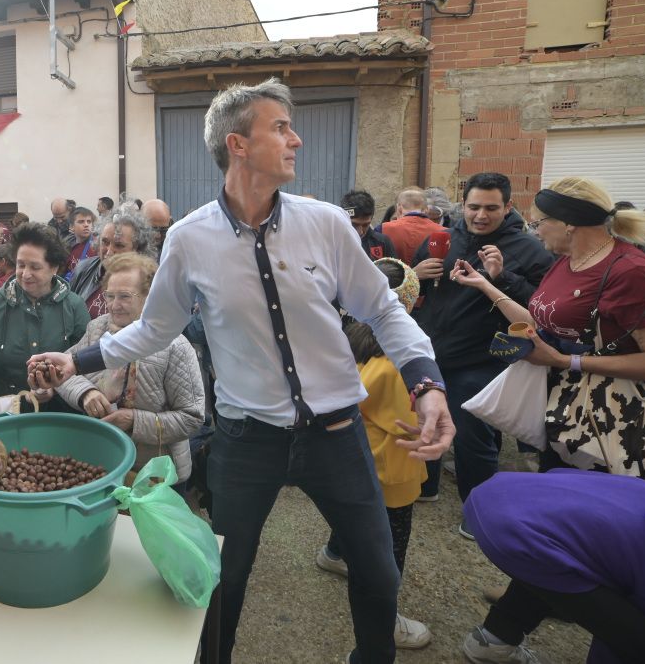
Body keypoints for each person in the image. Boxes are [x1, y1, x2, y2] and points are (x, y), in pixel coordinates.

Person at [28, 79, 454, 664]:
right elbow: (155, 329)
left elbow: (382, 307)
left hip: (336, 435)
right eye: (280, 127)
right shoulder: (189, 238)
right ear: (237, 144)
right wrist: (75, 360)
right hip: (247, 441)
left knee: (378, 573)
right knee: (224, 577)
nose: (296, 139)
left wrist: (427, 384)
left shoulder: (326, 224)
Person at [450, 176, 645, 663]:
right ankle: (512, 621)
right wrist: (487, 287)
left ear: (570, 224)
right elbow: (541, 322)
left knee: (597, 534)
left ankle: (558, 624)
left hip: (626, 426)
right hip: (572, 414)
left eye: (541, 223)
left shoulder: (631, 271)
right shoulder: (569, 259)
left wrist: (570, 364)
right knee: (561, 522)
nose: (535, 231)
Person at [412, 172, 553, 520]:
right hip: (431, 354)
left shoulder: (527, 249)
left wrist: (503, 277)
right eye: (474, 207)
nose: (481, 215)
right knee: (424, 423)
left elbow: (545, 308)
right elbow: (410, 292)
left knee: (472, 440)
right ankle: (425, 487)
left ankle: (480, 514)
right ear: (463, 206)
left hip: (482, 359)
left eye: (491, 208)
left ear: (507, 207)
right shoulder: (442, 238)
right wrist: (414, 274)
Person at [315, 258, 431, 650]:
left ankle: (334, 552)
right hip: (392, 470)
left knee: (353, 518)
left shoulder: (349, 338)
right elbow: (412, 423)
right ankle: (387, 620)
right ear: (409, 305)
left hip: (353, 459)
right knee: (389, 550)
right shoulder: (400, 365)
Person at [464, 470, 645, 664]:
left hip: (521, 493)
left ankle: (493, 640)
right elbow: (624, 635)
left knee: (571, 559)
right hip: (520, 529)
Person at [56, 253, 204, 487]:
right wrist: (86, 393)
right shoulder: (96, 329)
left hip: (155, 472)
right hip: (104, 463)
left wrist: (134, 420)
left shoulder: (174, 346)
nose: (115, 305)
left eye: (125, 296)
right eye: (110, 295)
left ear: (149, 296)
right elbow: (64, 372)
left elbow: (192, 417)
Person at [0, 223, 90, 411]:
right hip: (7, 409)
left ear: (54, 267)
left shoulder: (74, 306)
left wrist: (56, 389)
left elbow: (86, 362)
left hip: (59, 411)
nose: (25, 274)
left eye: (35, 267)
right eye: (20, 265)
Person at [68, 210, 153, 319]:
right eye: (105, 242)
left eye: (119, 245)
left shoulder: (150, 280)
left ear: (137, 248)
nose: (109, 252)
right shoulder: (83, 268)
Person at [379, 188, 441, 267]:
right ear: (427, 210)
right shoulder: (444, 232)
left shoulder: (383, 229)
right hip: (430, 279)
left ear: (399, 208)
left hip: (393, 278)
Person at [340, 190, 397, 261]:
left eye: (365, 225)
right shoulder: (334, 242)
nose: (360, 231)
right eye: (354, 224)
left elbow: (393, 270)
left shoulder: (382, 242)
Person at [63, 206, 96, 278]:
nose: (86, 225)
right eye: (81, 221)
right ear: (71, 227)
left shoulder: (97, 245)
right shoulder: (66, 246)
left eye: (89, 221)